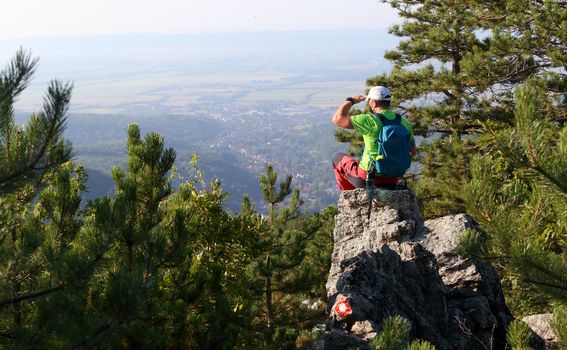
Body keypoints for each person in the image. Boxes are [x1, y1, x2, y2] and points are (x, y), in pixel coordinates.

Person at [331, 86, 416, 191]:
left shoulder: (369, 120)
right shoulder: (404, 122)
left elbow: (337, 119)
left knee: (338, 158)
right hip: (393, 180)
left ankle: (349, 194)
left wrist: (351, 101)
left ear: (373, 103)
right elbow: (413, 150)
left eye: (369, 101)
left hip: (367, 179)